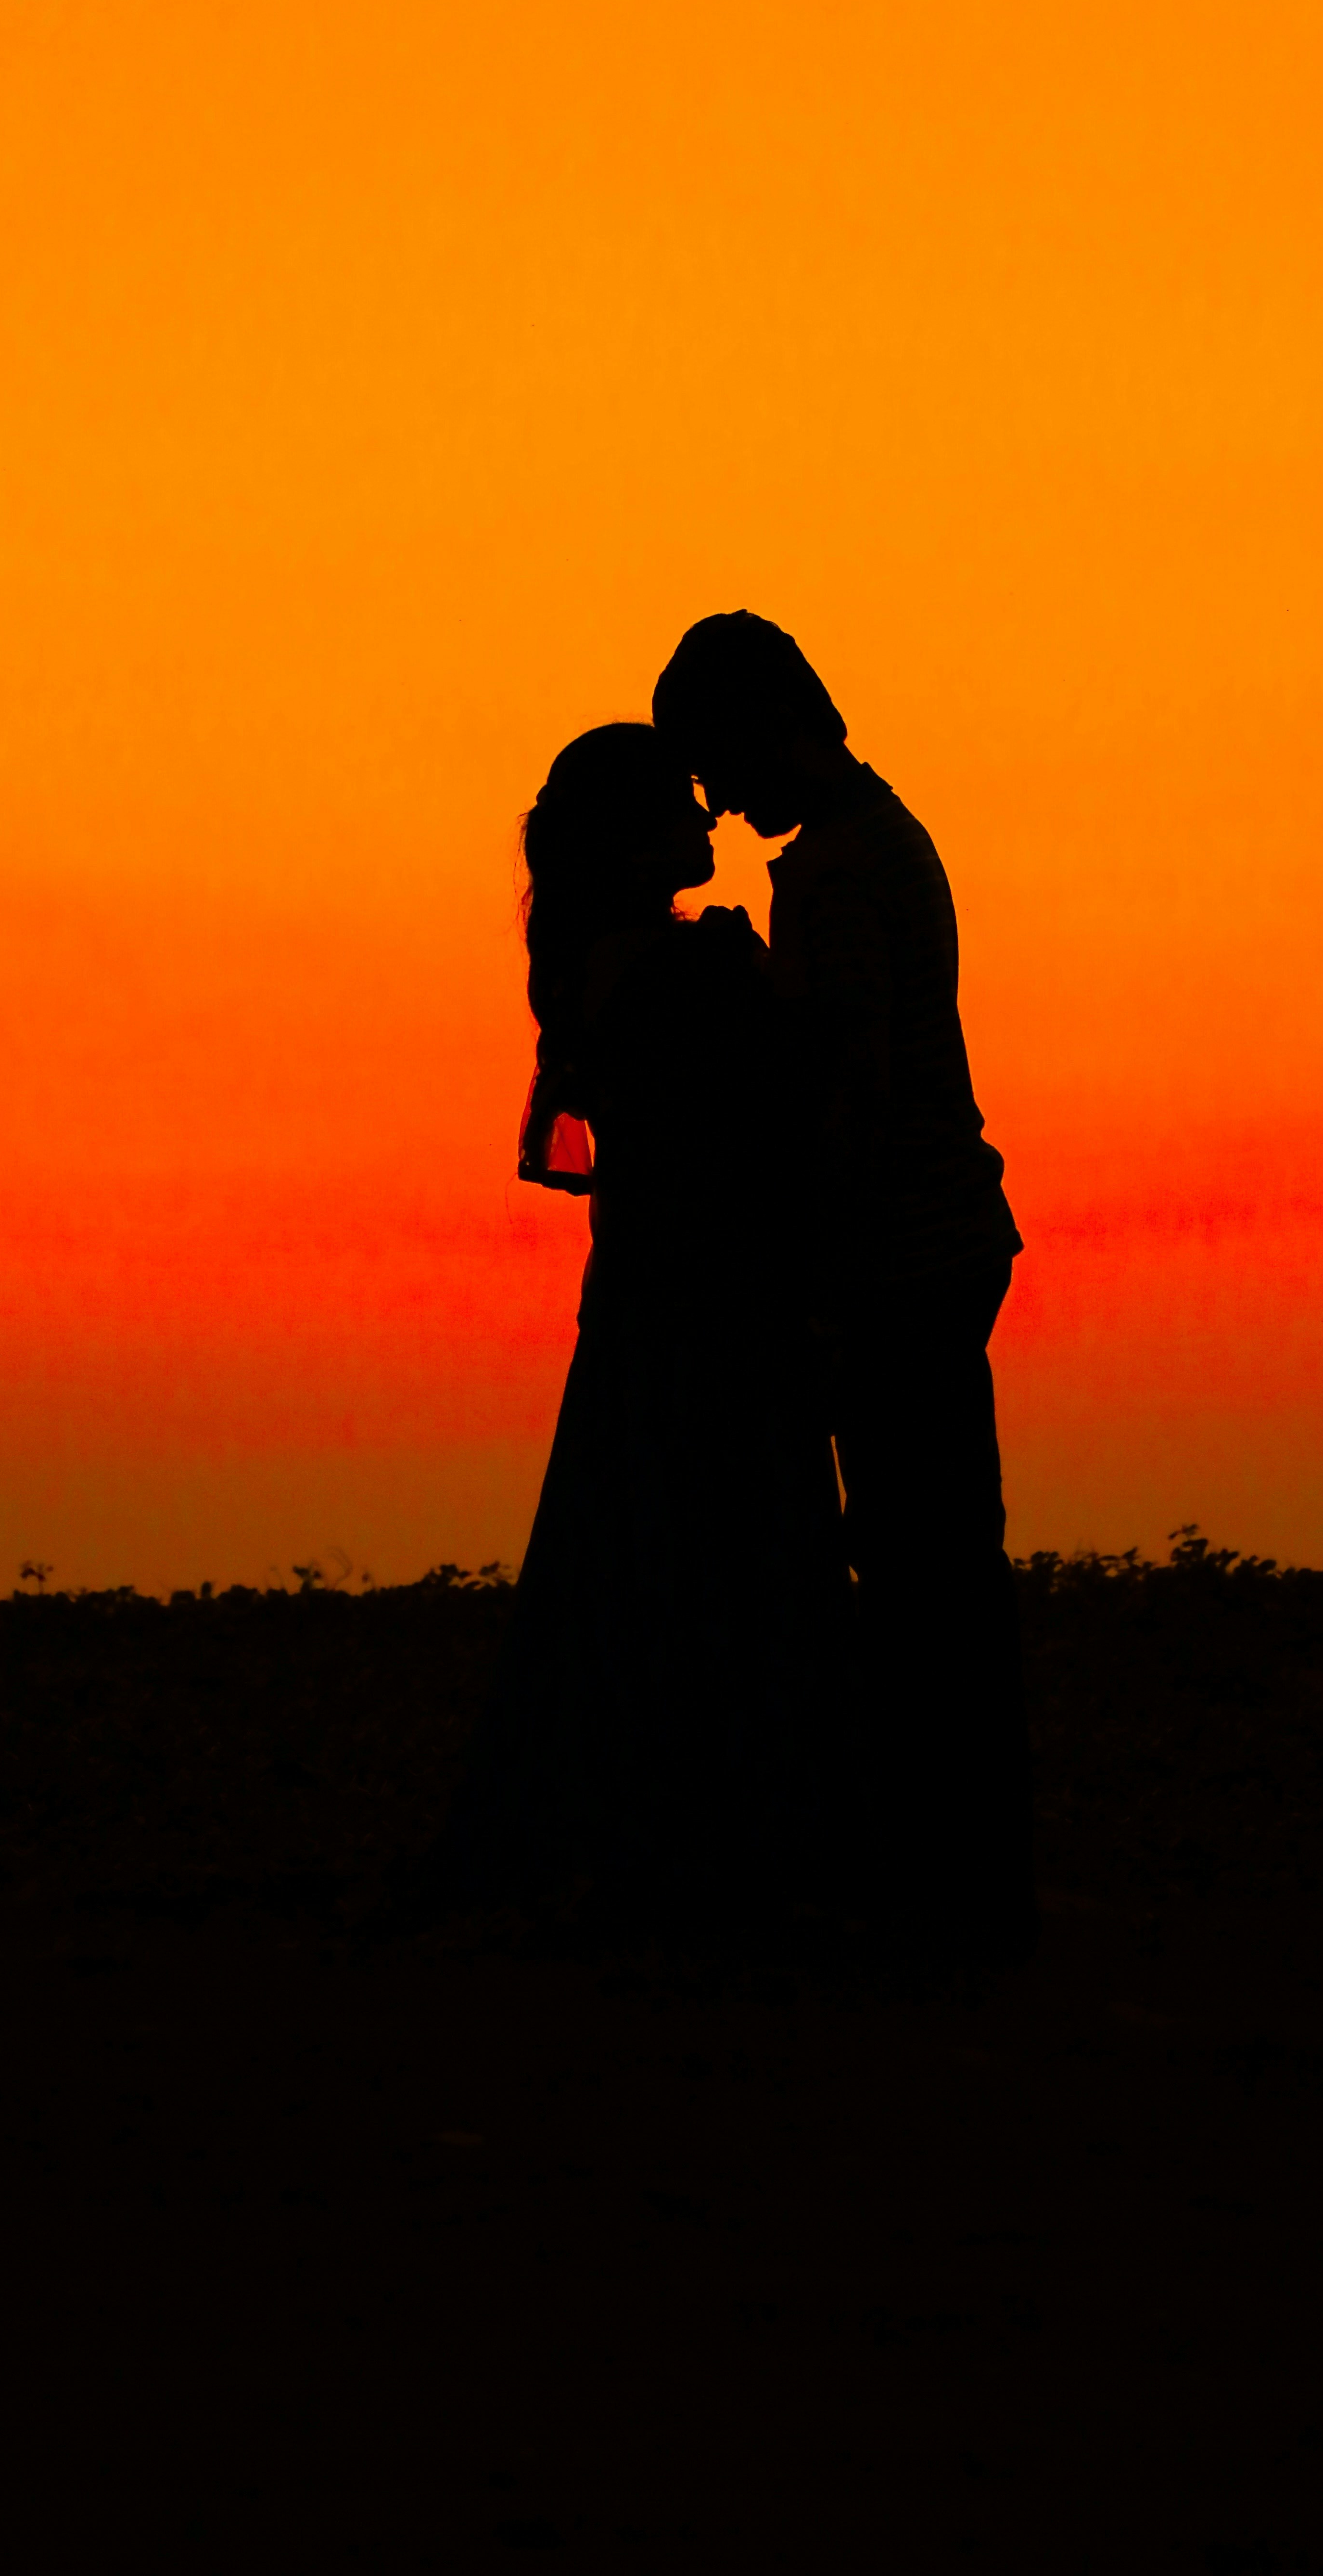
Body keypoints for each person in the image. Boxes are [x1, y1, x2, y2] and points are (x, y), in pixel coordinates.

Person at [652, 613, 1034, 1957]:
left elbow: (854, 1089)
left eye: (718, 762)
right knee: (941, 1563)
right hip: (938, 1238)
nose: (717, 800)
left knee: (921, 1572)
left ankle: (951, 1876)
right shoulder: (881, 843)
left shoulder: (838, 877)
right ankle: (966, 1863)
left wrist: (823, 1285)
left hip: (901, 1254)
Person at [445, 721, 849, 1926]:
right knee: (717, 1557)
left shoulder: (610, 966)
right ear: (630, 837)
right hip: (704, 1308)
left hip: (653, 1299)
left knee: (641, 1559)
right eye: (682, 800)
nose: (708, 817)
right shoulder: (672, 973)